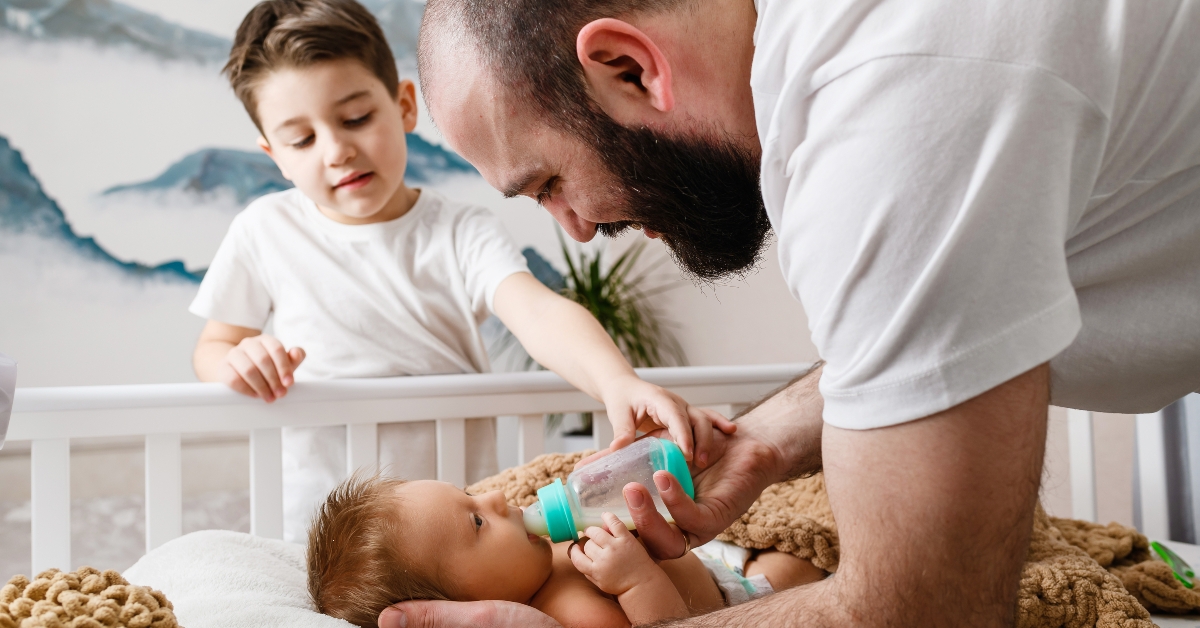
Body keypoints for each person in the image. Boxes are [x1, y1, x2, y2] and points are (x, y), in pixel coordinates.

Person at [387, 0, 1200, 625]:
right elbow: (933, 327)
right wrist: (764, 444)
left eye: (548, 183)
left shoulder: (887, 113)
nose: (577, 229)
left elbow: (918, 608)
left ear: (629, 68)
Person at [190, 0, 732, 542]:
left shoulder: (458, 231)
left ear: (404, 105)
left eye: (356, 118)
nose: (337, 150)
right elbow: (213, 348)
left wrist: (617, 382)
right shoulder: (264, 230)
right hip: (331, 530)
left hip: (464, 521)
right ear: (273, 156)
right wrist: (239, 359)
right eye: (302, 140)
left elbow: (537, 311)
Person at [306, 473, 824, 627]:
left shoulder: (537, 553)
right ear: (465, 602)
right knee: (800, 573)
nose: (495, 496)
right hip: (734, 605)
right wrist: (635, 581)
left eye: (468, 491)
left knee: (776, 545)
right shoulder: (568, 614)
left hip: (717, 565)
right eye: (478, 520)